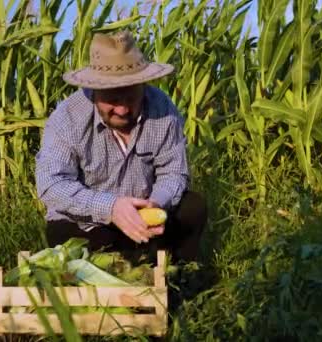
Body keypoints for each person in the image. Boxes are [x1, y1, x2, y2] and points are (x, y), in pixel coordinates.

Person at [34, 30, 207, 264]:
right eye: (113, 100)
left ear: (142, 86)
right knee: (96, 245)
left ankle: (177, 287)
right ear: (94, 90)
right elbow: (52, 185)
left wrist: (155, 204)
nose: (123, 110)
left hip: (144, 216)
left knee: (192, 208)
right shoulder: (67, 118)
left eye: (130, 98)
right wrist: (111, 208)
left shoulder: (163, 109)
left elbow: (173, 173)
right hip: (87, 223)